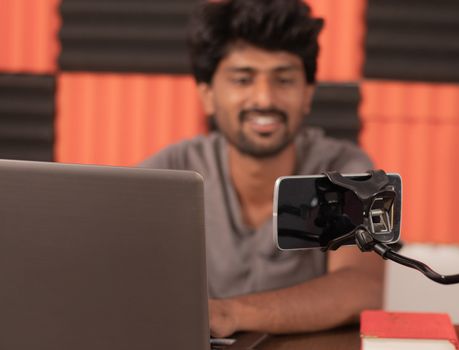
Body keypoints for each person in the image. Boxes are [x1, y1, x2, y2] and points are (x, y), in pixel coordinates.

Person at [140, 0, 384, 338]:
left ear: (307, 94)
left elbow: (361, 290)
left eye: (283, 80)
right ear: (207, 95)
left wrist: (230, 313)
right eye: (243, 80)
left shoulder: (343, 169)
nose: (265, 99)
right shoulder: (170, 173)